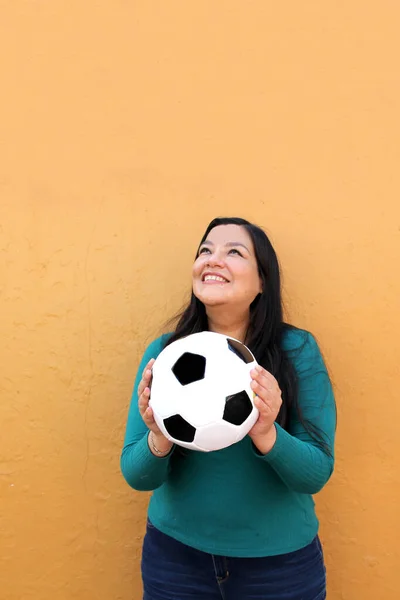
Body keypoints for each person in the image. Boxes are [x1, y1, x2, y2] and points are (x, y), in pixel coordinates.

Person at [121, 217, 336, 600]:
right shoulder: (165, 355)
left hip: (279, 570)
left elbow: (314, 475)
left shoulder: (297, 351)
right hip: (176, 564)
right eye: (205, 250)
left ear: (262, 282)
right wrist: (158, 436)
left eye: (233, 252)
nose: (213, 259)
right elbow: (137, 477)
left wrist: (266, 431)